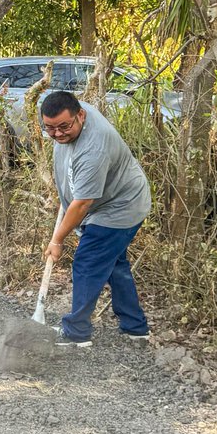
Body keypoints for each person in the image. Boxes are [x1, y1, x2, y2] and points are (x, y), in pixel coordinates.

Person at [40, 90, 151, 347]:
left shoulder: (94, 148)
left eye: (64, 127)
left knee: (88, 262)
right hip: (104, 201)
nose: (57, 134)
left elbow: (83, 203)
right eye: (50, 128)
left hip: (120, 206)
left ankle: (76, 332)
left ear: (81, 115)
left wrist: (57, 240)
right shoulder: (61, 113)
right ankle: (135, 327)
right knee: (113, 264)